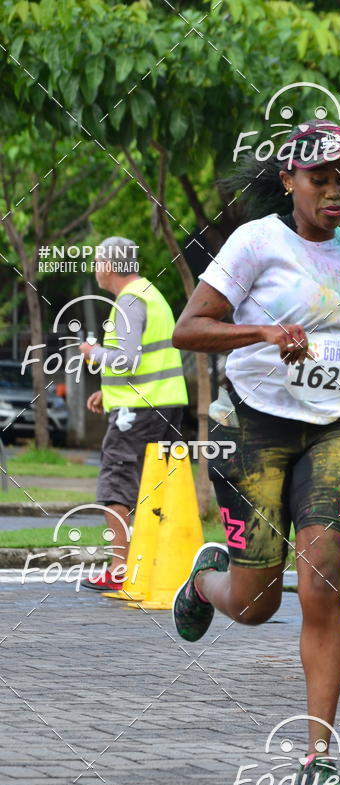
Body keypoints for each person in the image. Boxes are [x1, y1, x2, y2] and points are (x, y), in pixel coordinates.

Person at [171, 122, 340, 785]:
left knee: (323, 586)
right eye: (321, 176)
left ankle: (319, 758)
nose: (336, 188)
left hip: (334, 433)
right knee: (258, 603)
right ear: (289, 180)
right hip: (252, 427)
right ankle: (206, 579)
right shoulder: (257, 243)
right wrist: (263, 331)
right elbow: (187, 329)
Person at [80, 236, 188, 590]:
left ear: (110, 266)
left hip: (139, 410)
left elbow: (126, 359)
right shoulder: (149, 295)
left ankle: (119, 570)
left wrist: (93, 353)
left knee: (116, 483)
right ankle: (152, 565)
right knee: (152, 487)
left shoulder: (128, 302)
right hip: (161, 404)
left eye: (97, 262)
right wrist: (106, 393)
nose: (96, 268)